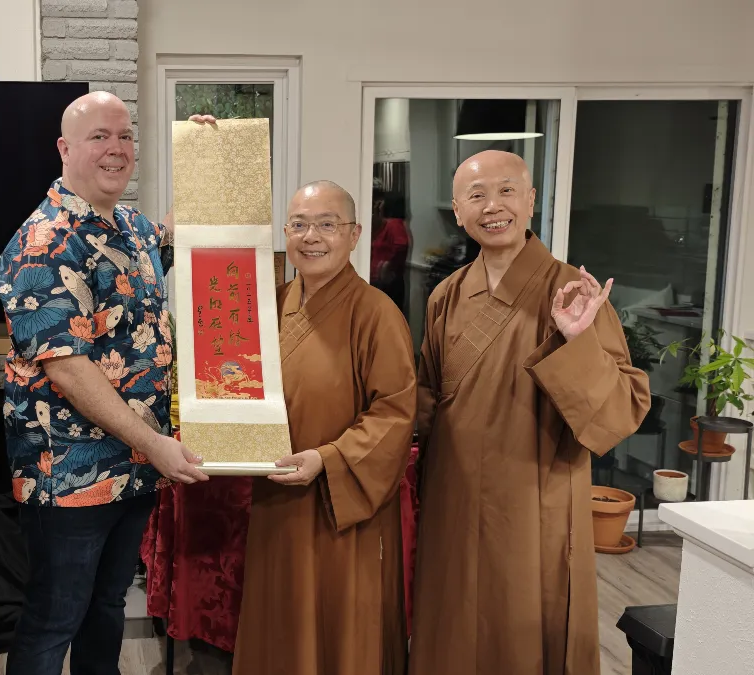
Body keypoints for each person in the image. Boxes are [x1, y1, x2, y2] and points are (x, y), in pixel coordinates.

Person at [409, 150, 651, 675]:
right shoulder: (447, 295)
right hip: (453, 495)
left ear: (531, 199)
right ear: (457, 210)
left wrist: (576, 340)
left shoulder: (572, 292)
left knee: (526, 630)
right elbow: (427, 399)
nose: (493, 206)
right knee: (450, 625)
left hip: (535, 494)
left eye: (506, 190)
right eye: (476, 195)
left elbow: (623, 408)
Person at [0, 90, 208, 675]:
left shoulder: (131, 229)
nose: (116, 149)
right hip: (67, 473)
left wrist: (205, 154)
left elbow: (185, 233)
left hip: (134, 469)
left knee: (106, 606)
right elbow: (67, 365)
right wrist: (156, 443)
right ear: (65, 148)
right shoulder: (43, 241)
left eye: (124, 137)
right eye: (99, 137)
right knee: (54, 618)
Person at [232, 181, 416, 675]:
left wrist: (327, 460)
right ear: (285, 234)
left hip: (341, 502)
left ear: (354, 234)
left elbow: (396, 413)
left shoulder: (377, 314)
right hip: (276, 497)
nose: (311, 237)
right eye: (299, 225)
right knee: (280, 614)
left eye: (327, 224)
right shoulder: (266, 306)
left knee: (341, 623)